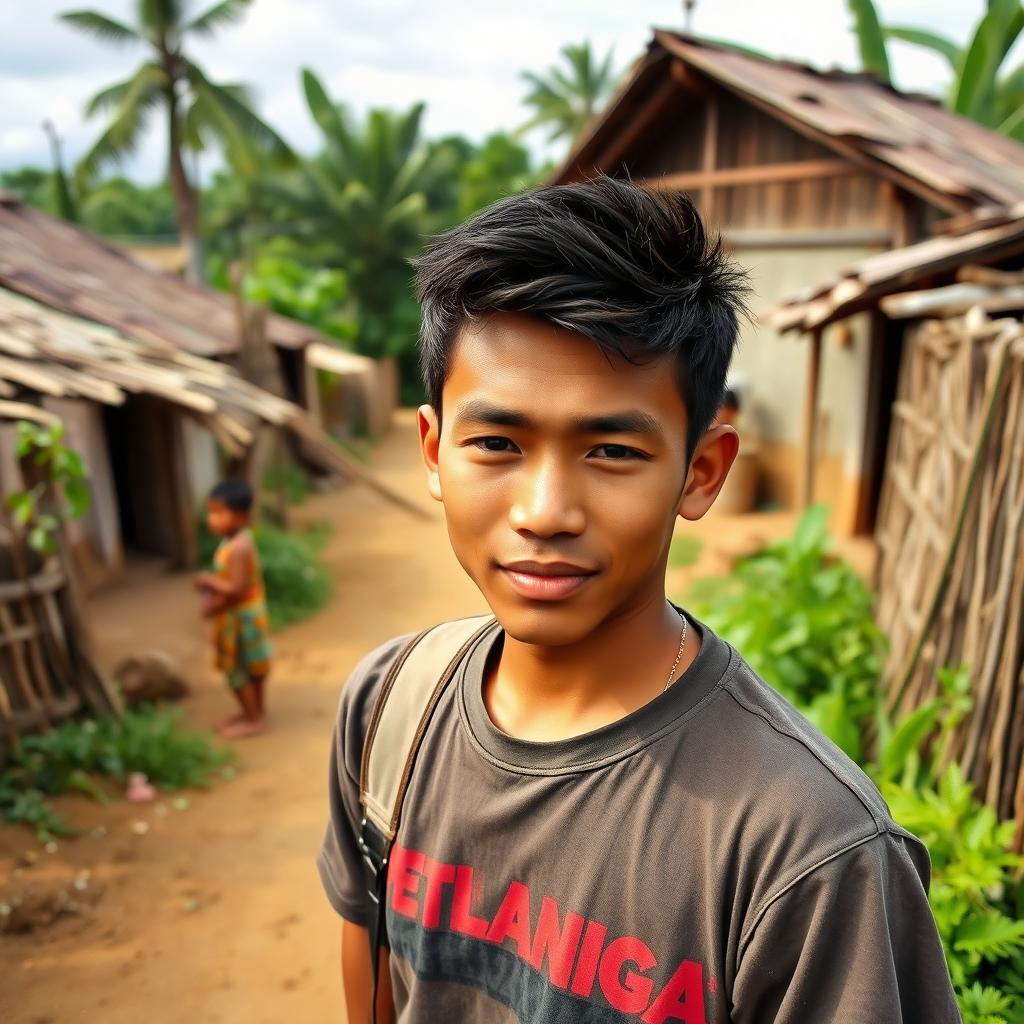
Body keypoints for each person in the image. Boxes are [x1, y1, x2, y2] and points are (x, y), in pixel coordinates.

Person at [318, 177, 960, 1023]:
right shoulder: (391, 709)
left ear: (701, 472)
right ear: (435, 452)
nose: (545, 511)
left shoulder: (804, 849)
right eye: (498, 442)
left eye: (612, 450)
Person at [195, 479, 271, 740]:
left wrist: (208, 581)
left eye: (218, 512)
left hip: (241, 622)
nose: (211, 519)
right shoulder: (234, 541)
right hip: (246, 617)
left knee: (237, 670)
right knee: (252, 668)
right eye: (210, 512)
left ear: (241, 516)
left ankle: (252, 718)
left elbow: (236, 589)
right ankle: (254, 712)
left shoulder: (238, 548)